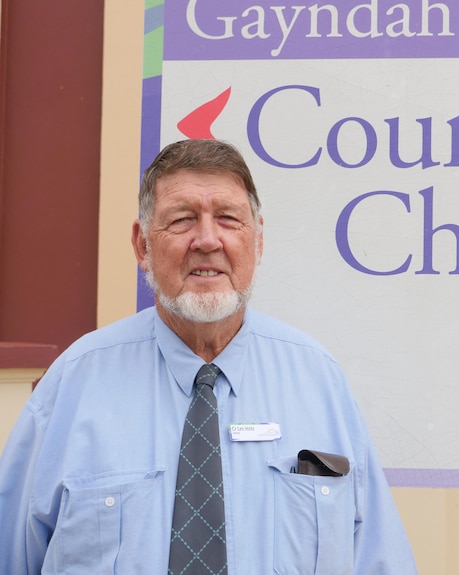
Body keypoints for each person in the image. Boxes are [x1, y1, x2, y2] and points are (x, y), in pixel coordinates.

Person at [0, 139, 418, 574]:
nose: (207, 239)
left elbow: (380, 561)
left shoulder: (320, 382)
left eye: (228, 219)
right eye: (182, 220)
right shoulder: (72, 385)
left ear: (257, 242)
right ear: (142, 245)